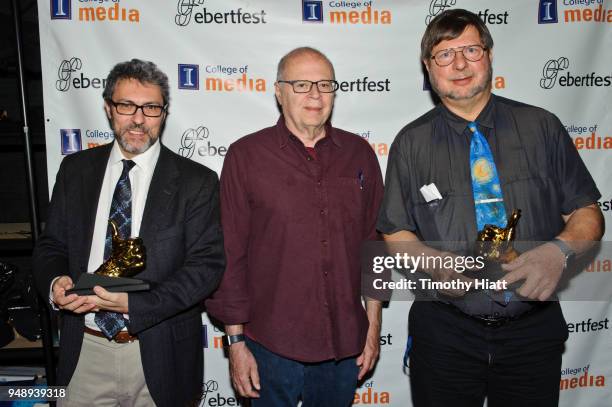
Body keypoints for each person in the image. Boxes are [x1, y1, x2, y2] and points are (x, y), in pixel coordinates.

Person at [377, 9, 604, 407]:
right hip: (445, 333)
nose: (460, 64)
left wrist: (558, 251)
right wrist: (432, 263)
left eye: (470, 50)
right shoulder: (410, 144)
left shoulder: (542, 127)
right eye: (444, 55)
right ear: (429, 68)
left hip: (532, 332)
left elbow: (587, 214)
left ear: (490, 54)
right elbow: (395, 231)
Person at [33, 59, 225, 407]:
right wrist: (56, 280)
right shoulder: (75, 171)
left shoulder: (197, 182)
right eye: (126, 105)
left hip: (160, 351)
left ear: (164, 113)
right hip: (84, 350)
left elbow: (206, 268)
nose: (138, 119)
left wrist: (136, 306)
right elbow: (52, 245)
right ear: (109, 108)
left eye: (150, 107)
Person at [205, 47, 384, 406]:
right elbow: (231, 254)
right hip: (269, 344)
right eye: (301, 84)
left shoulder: (359, 153)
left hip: (344, 343)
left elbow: (374, 247)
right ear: (278, 91)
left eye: (324, 84)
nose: (315, 95)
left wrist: (373, 326)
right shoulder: (246, 156)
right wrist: (236, 344)